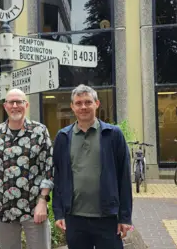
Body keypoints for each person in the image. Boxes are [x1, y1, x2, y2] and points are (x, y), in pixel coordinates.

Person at [51, 84, 132, 249]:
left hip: (107, 217)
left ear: (97, 104)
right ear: (73, 107)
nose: (83, 107)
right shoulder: (63, 137)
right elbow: (58, 177)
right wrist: (59, 212)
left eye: (88, 102)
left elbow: (124, 177)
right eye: (78, 103)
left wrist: (125, 217)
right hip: (74, 218)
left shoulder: (112, 135)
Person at [0, 88, 54, 249]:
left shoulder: (39, 131)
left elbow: (49, 168)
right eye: (11, 102)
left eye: (19, 102)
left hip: (34, 208)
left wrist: (43, 201)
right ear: (5, 106)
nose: (15, 106)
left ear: (26, 105)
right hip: (3, 208)